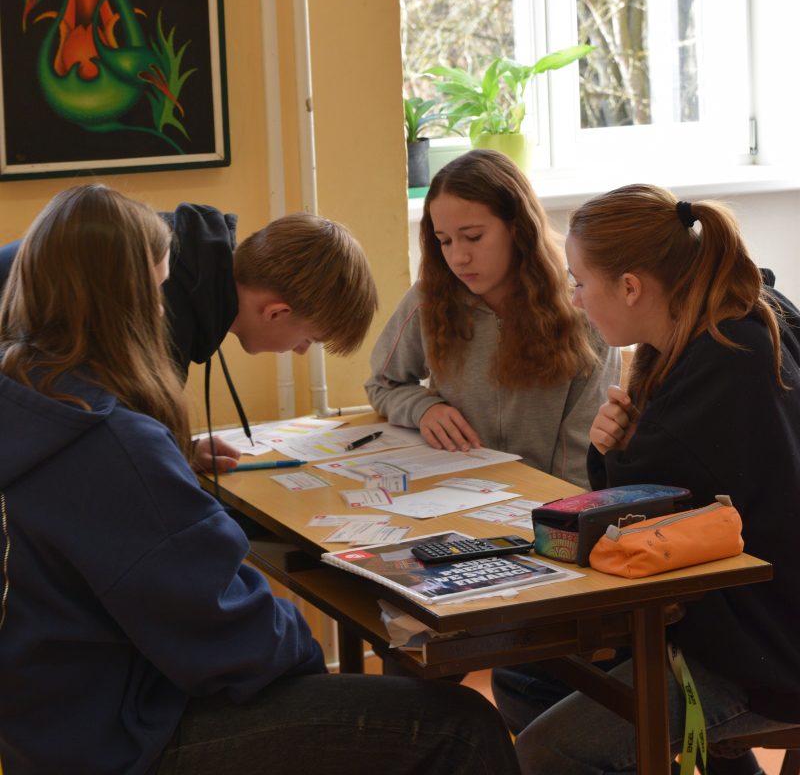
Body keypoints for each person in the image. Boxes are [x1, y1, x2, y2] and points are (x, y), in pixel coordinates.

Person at [0, 184, 521, 775]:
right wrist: (305, 661)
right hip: (122, 734)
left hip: (52, 717)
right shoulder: (113, 443)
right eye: (156, 294)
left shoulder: (38, 407)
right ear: (129, 302)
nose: (165, 313)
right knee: (464, 727)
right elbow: (223, 626)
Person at [499, 184, 800, 775]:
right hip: (749, 619)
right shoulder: (745, 313)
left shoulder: (721, 366)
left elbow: (631, 519)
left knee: (548, 750)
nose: (576, 300)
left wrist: (612, 446)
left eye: (580, 283)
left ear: (631, 286)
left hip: (767, 649)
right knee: (522, 675)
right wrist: (625, 444)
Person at [0, 202, 378, 473]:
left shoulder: (189, 258)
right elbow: (120, 459)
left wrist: (178, 449)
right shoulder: (162, 310)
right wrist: (164, 453)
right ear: (276, 312)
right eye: (308, 339)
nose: (299, 351)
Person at [365, 150, 618, 487]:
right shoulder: (428, 299)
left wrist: (555, 511)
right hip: (454, 492)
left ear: (518, 228)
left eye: (473, 237)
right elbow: (383, 384)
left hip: (548, 501)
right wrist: (423, 408)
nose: (459, 257)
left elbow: (581, 454)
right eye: (444, 241)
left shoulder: (582, 311)